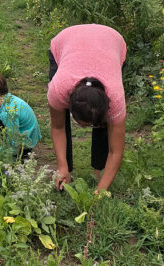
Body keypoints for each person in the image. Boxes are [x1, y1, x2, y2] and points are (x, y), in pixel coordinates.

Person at [47, 24, 127, 191]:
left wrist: (101, 191)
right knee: (61, 123)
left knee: (107, 127)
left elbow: (116, 151)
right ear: (69, 105)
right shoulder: (58, 89)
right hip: (67, 40)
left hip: (111, 41)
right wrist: (62, 166)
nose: (85, 128)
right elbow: (58, 126)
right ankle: (66, 171)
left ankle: (98, 171)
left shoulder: (115, 98)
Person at [0, 70, 41, 160]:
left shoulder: (10, 111)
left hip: (23, 147)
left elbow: (13, 145)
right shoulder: (5, 100)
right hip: (16, 133)